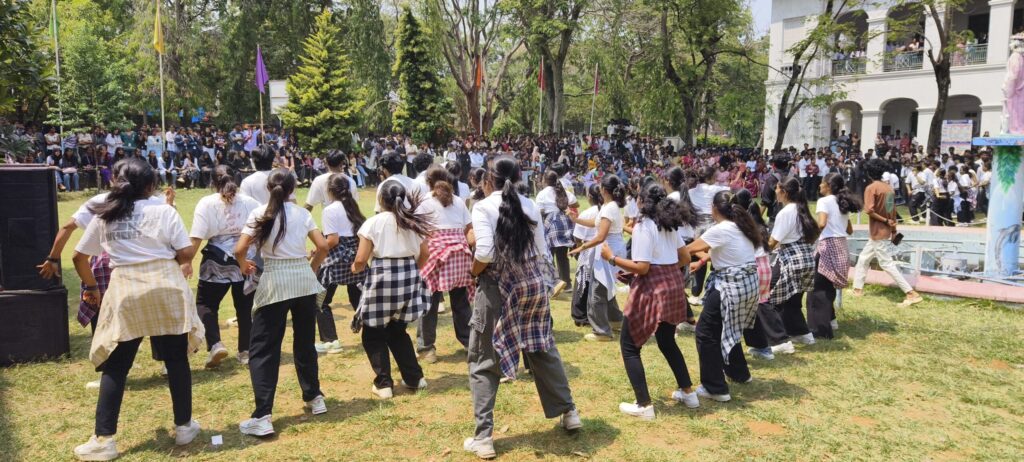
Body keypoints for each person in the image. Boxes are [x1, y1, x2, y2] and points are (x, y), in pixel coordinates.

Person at [71, 159, 203, 460]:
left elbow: (79, 257)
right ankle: (184, 427)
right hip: (166, 287)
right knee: (176, 360)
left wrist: (92, 288)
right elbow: (185, 252)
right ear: (151, 185)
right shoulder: (164, 211)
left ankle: (104, 440)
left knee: (116, 367)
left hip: (126, 290)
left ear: (116, 182)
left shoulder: (105, 214)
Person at [464, 156, 581, 459]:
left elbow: (485, 253)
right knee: (542, 348)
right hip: (532, 286)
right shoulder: (528, 204)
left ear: (486, 180)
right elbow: (541, 251)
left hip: (497, 288)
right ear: (518, 177)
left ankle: (484, 438)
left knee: (484, 358)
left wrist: (473, 272)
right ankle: (569, 412)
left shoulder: (482, 208)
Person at [235, 169, 329, 437]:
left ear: (269, 188)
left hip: (275, 280)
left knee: (264, 348)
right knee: (305, 342)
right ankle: (314, 397)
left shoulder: (260, 213)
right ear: (292, 189)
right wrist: (311, 267)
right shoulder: (301, 213)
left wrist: (243, 265)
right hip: (302, 281)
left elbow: (240, 249)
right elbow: (322, 246)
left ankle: (263, 415)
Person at [603, 182, 699, 420]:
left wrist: (611, 258)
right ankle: (689, 394)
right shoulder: (668, 224)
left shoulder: (644, 226)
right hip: (674, 285)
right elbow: (685, 257)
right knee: (667, 341)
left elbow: (643, 267)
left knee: (629, 346)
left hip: (652, 288)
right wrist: (666, 269)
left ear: (642, 202)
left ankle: (644, 405)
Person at [352, 182, 432, 399]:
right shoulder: (412, 222)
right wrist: (413, 270)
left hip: (382, 277)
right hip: (408, 275)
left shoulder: (373, 223)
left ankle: (384, 384)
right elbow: (425, 254)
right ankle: (415, 378)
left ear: (380, 200)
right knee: (397, 330)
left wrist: (355, 268)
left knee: (373, 332)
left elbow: (361, 259)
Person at [685, 191, 764, 403]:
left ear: (714, 208)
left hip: (731, 286)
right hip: (747, 284)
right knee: (727, 326)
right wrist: (701, 261)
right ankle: (739, 373)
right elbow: (722, 252)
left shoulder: (721, 229)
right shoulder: (741, 226)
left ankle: (715, 388)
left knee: (705, 332)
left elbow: (688, 249)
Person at [189, 166, 261, 367]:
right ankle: (246, 351)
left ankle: (215, 344)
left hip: (217, 260)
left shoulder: (207, 203)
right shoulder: (250, 202)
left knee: (205, 304)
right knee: (245, 308)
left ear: (212, 182)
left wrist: (186, 262)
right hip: (247, 258)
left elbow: (196, 236)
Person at [747, 177, 820, 355]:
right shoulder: (801, 208)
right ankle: (802, 333)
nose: (775, 192)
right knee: (792, 300)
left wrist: (757, 253)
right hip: (806, 258)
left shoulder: (785, 212)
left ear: (784, 192)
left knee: (767, 297)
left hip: (791, 259)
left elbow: (773, 242)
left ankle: (779, 340)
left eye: (777, 189)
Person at [416, 168, 473, 364]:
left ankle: (426, 348)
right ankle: (469, 343)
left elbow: (418, 232)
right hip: (460, 256)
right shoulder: (458, 201)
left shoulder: (423, 202)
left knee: (428, 303)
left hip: (435, 255)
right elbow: (469, 230)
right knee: (461, 302)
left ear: (428, 183)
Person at [852, 159, 924, 306]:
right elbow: (892, 211)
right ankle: (857, 289)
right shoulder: (889, 189)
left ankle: (911, 293)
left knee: (886, 264)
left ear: (868, 173)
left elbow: (869, 210)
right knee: (863, 259)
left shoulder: (871, 188)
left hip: (878, 231)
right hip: (883, 232)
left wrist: (885, 221)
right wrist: (893, 230)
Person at [569, 175, 628, 341]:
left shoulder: (609, 208)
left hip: (607, 251)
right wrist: (576, 219)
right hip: (607, 251)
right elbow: (595, 223)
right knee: (605, 287)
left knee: (597, 292)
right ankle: (616, 320)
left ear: (604, 190)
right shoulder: (609, 206)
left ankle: (602, 331)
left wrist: (582, 247)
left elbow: (601, 236)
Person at [313, 174, 367, 356]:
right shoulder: (352, 206)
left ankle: (330, 341)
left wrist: (318, 249)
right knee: (358, 297)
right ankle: (372, 332)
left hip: (336, 259)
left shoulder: (330, 210)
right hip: (355, 256)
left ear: (330, 191)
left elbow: (333, 240)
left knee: (321, 300)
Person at [807, 173, 861, 339]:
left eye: (822, 183)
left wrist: (809, 238)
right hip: (841, 247)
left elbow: (822, 223)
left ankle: (820, 329)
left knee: (817, 290)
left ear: (828, 186)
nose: (819, 185)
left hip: (828, 247)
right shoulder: (842, 202)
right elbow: (849, 230)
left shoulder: (824, 201)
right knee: (827, 287)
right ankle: (831, 320)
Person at [536, 171, 575, 297]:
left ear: (544, 180)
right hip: (564, 224)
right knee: (562, 256)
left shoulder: (542, 194)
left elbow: (539, 211)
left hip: (551, 224)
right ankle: (567, 284)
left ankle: (554, 283)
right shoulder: (563, 191)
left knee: (549, 255)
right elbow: (575, 202)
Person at [569, 184, 603, 327]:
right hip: (603, 251)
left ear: (589, 197)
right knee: (597, 284)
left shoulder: (587, 213)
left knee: (582, 283)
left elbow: (577, 236)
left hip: (588, 249)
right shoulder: (605, 211)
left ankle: (580, 315)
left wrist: (578, 248)